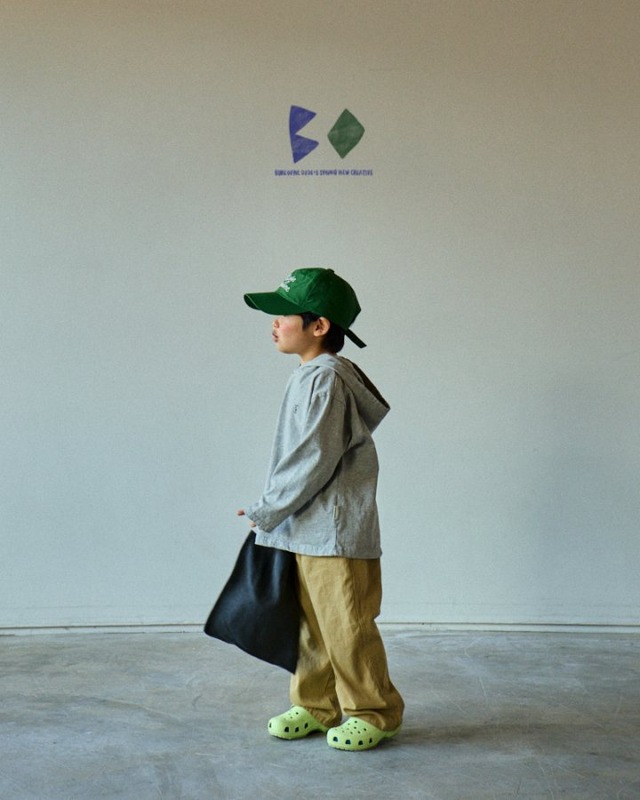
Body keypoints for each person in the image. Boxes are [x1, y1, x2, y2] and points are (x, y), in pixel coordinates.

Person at [237, 267, 404, 751]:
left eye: (283, 314)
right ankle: (316, 705)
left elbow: (313, 457)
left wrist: (268, 507)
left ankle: (374, 711)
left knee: (346, 624)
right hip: (308, 526)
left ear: (320, 326)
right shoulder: (311, 375)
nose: (274, 323)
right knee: (311, 626)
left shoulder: (326, 380)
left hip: (334, 531)